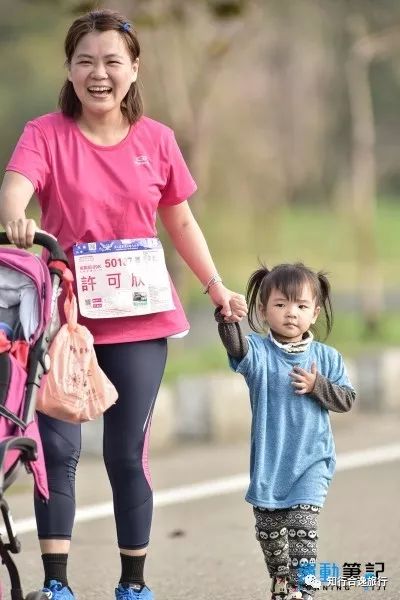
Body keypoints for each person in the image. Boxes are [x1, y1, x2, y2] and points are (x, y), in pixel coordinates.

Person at [0, 8, 247, 600]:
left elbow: (180, 220)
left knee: (126, 455)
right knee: (57, 451)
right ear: (69, 69)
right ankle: (56, 584)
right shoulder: (45, 133)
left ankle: (133, 583)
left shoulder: (157, 140)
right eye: (85, 61)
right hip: (64, 323)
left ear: (134, 68)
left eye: (112, 61)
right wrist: (16, 217)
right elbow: (16, 186)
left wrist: (217, 287)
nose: (99, 73)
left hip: (140, 319)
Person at [214, 262, 356, 600]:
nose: (291, 313)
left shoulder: (327, 358)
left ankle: (304, 591)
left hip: (312, 460)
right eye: (281, 304)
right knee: (270, 534)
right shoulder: (259, 353)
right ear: (263, 310)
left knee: (303, 529)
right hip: (270, 463)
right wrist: (227, 319)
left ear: (315, 313)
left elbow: (347, 399)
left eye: (302, 306)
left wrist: (318, 385)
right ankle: (281, 580)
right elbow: (236, 347)